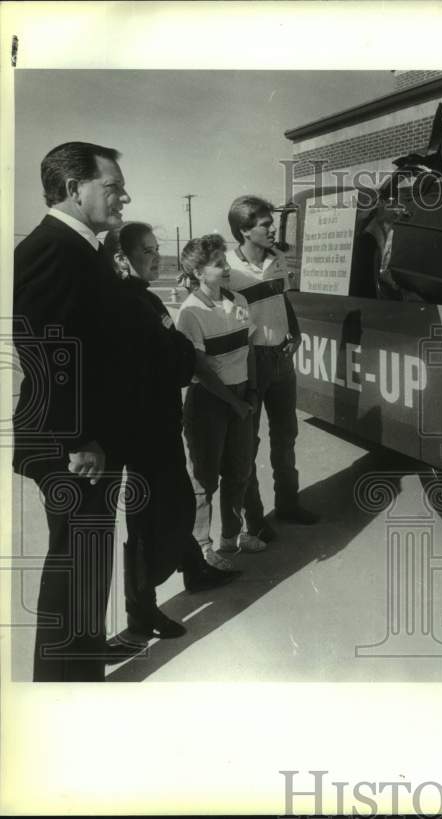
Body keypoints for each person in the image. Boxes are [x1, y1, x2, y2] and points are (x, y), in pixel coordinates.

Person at [13, 141, 132, 680]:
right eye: (112, 186)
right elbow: (45, 350)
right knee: (75, 559)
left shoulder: (83, 247)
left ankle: (84, 659)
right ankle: (62, 685)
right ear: (72, 188)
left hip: (89, 439)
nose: (123, 196)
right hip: (74, 443)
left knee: (89, 556)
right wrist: (79, 437)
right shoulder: (51, 248)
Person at [110, 222, 240, 639]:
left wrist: (178, 356)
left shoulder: (146, 299)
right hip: (142, 431)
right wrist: (178, 357)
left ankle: (194, 569)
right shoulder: (123, 304)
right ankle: (141, 612)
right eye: (147, 251)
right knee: (148, 523)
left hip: (162, 424)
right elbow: (179, 361)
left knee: (180, 501)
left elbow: (180, 355)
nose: (157, 258)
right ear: (121, 258)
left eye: (157, 249)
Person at [226, 195, 317, 543]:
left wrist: (295, 331)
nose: (272, 228)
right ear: (244, 230)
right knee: (248, 444)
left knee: (286, 437)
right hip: (250, 365)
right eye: (264, 224)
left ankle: (289, 505)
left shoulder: (277, 258)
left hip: (282, 360)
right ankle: (255, 520)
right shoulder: (229, 269)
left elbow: (282, 300)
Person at [176, 234, 266, 567]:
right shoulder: (190, 312)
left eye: (225, 262)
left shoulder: (240, 301)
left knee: (239, 470)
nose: (226, 268)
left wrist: (253, 392)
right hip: (210, 402)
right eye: (218, 264)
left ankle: (231, 538)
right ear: (199, 272)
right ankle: (202, 548)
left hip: (242, 396)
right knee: (204, 479)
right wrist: (236, 403)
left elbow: (250, 351)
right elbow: (203, 372)